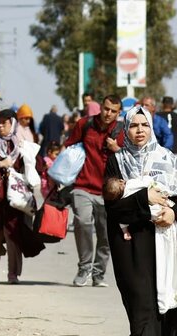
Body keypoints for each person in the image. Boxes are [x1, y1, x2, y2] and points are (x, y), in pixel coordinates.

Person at [104, 106, 177, 336]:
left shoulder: (167, 158)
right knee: (140, 299)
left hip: (165, 238)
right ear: (126, 129)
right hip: (132, 241)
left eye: (145, 125)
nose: (140, 130)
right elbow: (113, 206)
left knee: (167, 299)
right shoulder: (116, 161)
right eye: (134, 125)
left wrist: (174, 213)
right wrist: (144, 198)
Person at [0, 109, 46, 284]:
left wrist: (28, 154)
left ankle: (13, 273)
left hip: (15, 199)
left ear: (12, 124)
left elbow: (39, 165)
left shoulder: (20, 144)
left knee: (13, 234)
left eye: (4, 123)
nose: (0, 126)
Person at [63, 94, 124, 287]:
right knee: (82, 222)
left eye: (113, 111)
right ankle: (84, 267)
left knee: (105, 234)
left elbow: (131, 159)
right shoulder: (85, 124)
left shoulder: (121, 131)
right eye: (106, 109)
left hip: (109, 192)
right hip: (83, 186)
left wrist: (117, 150)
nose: (108, 113)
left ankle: (99, 273)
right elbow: (69, 147)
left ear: (118, 113)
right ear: (101, 107)